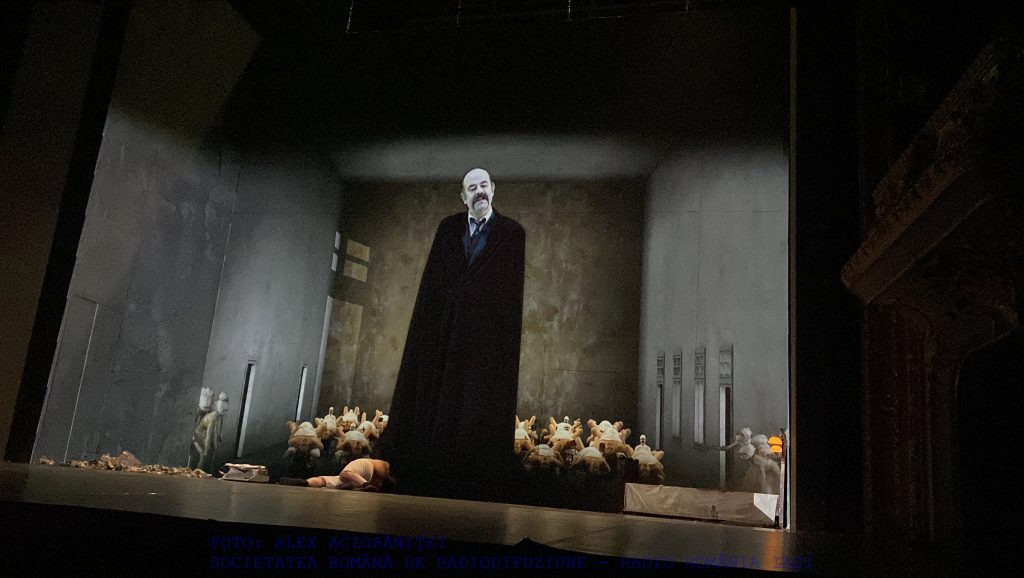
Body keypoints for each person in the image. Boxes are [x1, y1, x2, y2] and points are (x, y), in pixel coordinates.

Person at [377, 168, 526, 501]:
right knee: (438, 400)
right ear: (463, 196)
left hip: (483, 342)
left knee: (475, 406)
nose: (479, 192)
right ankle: (429, 471)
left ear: (493, 189)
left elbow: (509, 296)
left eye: (483, 185)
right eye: (472, 188)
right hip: (443, 334)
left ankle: (472, 478)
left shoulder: (512, 233)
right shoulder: (448, 229)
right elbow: (433, 284)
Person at [306, 458, 394, 491]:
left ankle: (305, 482)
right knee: (343, 475)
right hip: (365, 474)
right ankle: (306, 482)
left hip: (363, 475)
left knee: (342, 475)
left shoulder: (383, 467)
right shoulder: (384, 467)